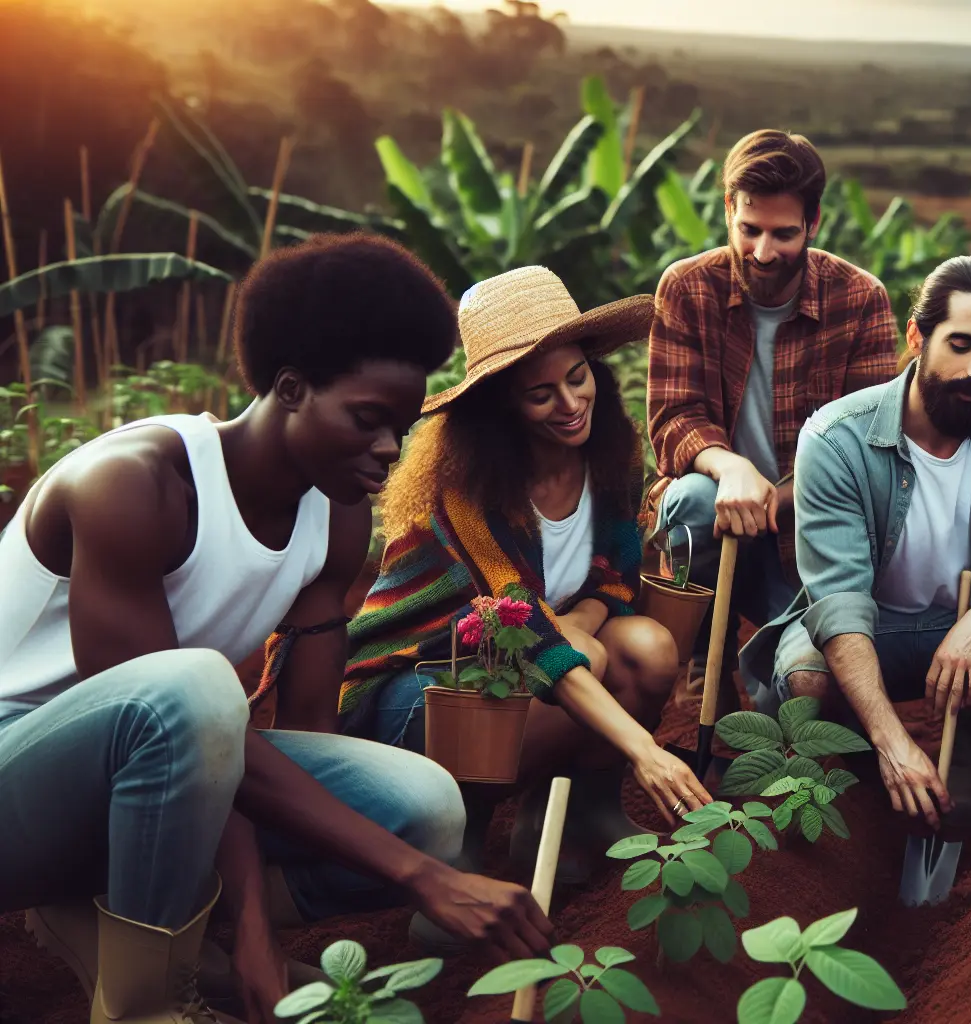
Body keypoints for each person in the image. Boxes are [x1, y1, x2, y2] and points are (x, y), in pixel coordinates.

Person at [0, 235, 550, 1024]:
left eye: (399, 425)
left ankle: (169, 932)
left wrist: (399, 864)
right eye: (366, 419)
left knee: (423, 806)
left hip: (160, 768)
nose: (389, 449)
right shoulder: (136, 486)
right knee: (194, 687)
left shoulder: (335, 519)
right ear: (291, 389)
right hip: (16, 777)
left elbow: (299, 740)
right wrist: (412, 885)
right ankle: (147, 1001)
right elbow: (179, 718)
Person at [339, 267, 707, 897]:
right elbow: (524, 627)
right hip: (419, 694)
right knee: (578, 657)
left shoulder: (610, 455)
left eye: (577, 378)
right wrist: (647, 750)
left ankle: (575, 814)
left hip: (534, 664)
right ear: (501, 406)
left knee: (645, 647)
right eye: (541, 395)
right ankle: (462, 838)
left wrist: (577, 626)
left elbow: (615, 575)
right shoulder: (466, 492)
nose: (570, 405)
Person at [740, 256, 971, 828]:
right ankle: (860, 756)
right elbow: (838, 603)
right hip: (872, 631)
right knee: (805, 678)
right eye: (961, 344)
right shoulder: (838, 439)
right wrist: (895, 742)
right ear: (916, 336)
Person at [648, 129, 899, 680]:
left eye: (784, 234)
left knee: (794, 688)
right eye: (749, 230)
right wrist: (731, 467)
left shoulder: (859, 299)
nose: (763, 252)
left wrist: (778, 497)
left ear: (814, 223)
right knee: (688, 501)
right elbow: (673, 417)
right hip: (716, 514)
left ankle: (771, 666)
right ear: (728, 211)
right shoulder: (687, 288)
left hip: (808, 523)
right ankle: (698, 665)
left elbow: (870, 446)